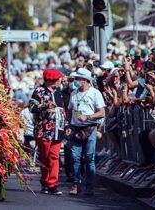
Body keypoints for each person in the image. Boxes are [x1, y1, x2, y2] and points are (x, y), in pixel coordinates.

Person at [29, 68, 67, 195]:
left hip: (58, 130)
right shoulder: (39, 91)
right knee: (45, 157)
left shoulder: (59, 93)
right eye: (57, 79)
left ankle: (53, 184)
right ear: (51, 80)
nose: (59, 81)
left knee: (54, 157)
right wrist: (45, 106)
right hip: (44, 130)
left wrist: (67, 126)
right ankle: (44, 181)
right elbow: (32, 107)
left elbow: (63, 111)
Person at [68, 68, 105, 196]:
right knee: (75, 158)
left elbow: (102, 112)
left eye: (78, 79)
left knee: (89, 158)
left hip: (90, 129)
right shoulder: (74, 93)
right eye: (76, 79)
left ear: (85, 80)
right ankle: (76, 185)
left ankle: (90, 186)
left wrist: (88, 117)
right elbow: (71, 110)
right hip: (76, 129)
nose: (76, 81)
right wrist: (69, 124)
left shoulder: (95, 93)